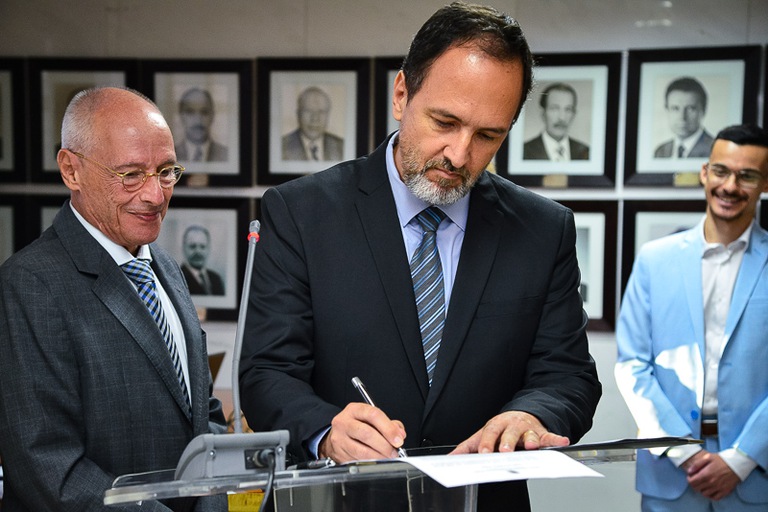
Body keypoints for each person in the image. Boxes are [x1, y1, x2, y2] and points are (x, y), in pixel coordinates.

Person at [239, 3, 601, 511]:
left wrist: (532, 415)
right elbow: (266, 371)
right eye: (445, 122)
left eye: (488, 135)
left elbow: (569, 375)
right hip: (342, 499)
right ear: (402, 94)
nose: (459, 154)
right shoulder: (302, 212)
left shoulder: (543, 229)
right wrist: (324, 429)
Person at [0, 87, 227, 511]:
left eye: (165, 171)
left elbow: (203, 412)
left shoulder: (165, 267)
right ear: (71, 170)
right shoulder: (28, 285)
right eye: (131, 175)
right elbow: (48, 467)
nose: (156, 195)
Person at [615, 123, 768, 511]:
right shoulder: (654, 260)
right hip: (670, 472)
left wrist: (741, 459)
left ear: (765, 183)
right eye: (721, 171)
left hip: (756, 476)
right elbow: (632, 365)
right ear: (704, 172)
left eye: (747, 176)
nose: (730, 186)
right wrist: (684, 452)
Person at [522, 82, 590, 161]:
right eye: (554, 108)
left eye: (568, 109)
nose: (562, 117)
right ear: (543, 112)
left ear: (574, 114)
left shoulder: (586, 152)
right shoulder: (523, 151)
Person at [654, 77, 714, 159]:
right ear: (667, 110)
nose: (682, 117)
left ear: (703, 111)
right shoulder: (660, 152)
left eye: (690, 109)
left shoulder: (715, 149)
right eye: (675, 108)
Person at [281, 86, 344, 161]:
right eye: (308, 111)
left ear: (328, 115)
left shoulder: (342, 147)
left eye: (321, 112)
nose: (314, 119)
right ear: (298, 114)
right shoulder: (281, 147)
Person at [174, 87, 229, 162]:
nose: (198, 120)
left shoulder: (226, 155)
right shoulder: (171, 155)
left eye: (204, 112)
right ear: (181, 116)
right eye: (190, 112)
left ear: (212, 116)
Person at [181, 224, 225, 296]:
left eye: (202, 247)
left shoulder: (216, 279)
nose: (198, 251)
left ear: (208, 248)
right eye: (192, 246)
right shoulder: (178, 278)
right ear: (184, 248)